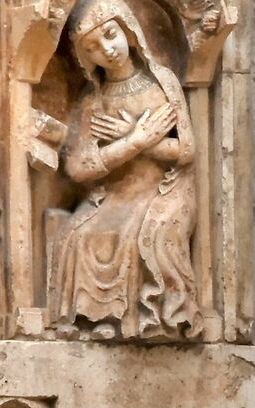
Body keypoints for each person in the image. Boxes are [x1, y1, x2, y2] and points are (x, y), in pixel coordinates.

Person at [49, 0, 201, 341]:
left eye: (110, 34)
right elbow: (77, 167)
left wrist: (140, 140)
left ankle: (155, 318)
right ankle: (101, 317)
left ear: (129, 31)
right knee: (79, 235)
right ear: (86, 58)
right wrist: (134, 140)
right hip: (115, 195)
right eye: (93, 47)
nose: (108, 49)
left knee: (148, 235)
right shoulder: (93, 99)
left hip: (161, 190)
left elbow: (187, 151)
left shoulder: (162, 83)